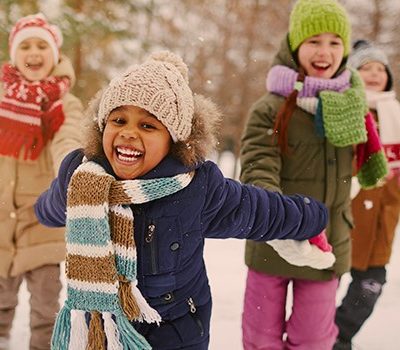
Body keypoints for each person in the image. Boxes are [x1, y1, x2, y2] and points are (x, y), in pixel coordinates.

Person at [34, 50, 331, 350]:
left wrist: (311, 216)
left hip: (176, 332)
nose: (128, 133)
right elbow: (55, 205)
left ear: (173, 139)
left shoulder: (196, 187)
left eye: (147, 126)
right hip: (103, 329)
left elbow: (257, 211)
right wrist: (41, 210)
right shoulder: (83, 178)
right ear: (102, 127)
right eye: (119, 120)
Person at [239, 1, 388, 349]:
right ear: (295, 46)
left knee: (314, 340)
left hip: (329, 245)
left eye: (335, 42)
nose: (325, 52)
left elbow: (366, 160)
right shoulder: (270, 107)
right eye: (314, 41)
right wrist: (278, 217)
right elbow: (259, 165)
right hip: (273, 241)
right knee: (261, 338)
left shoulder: (352, 105)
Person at [0, 13, 84, 350]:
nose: (34, 53)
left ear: (55, 54)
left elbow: (70, 135)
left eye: (41, 46)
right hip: (1, 221)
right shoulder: (3, 97)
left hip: (43, 218)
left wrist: (70, 166)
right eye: (26, 46)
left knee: (46, 305)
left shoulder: (64, 103)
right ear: (14, 54)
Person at [334, 40, 400, 350]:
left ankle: (339, 337)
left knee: (371, 285)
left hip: (382, 218)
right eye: (365, 67)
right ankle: (315, 336)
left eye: (379, 68)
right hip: (345, 212)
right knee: (325, 281)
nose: (374, 74)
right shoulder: (347, 110)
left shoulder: (396, 114)